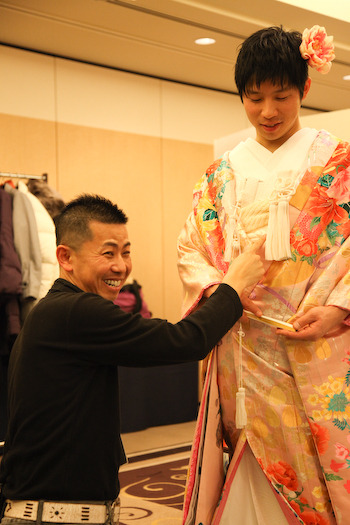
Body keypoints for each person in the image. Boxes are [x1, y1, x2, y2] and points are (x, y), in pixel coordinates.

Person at [0, 194, 264, 525]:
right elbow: (183, 342)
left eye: (126, 253)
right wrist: (233, 284)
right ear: (65, 257)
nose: (121, 266)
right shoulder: (76, 312)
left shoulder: (54, 312)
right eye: (107, 253)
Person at [177, 25, 350, 525]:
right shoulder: (219, 173)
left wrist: (337, 307)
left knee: (315, 475)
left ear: (306, 89)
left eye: (282, 95)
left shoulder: (338, 163)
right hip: (240, 345)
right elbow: (192, 248)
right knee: (242, 461)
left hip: (313, 346)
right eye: (254, 98)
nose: (268, 111)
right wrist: (222, 291)